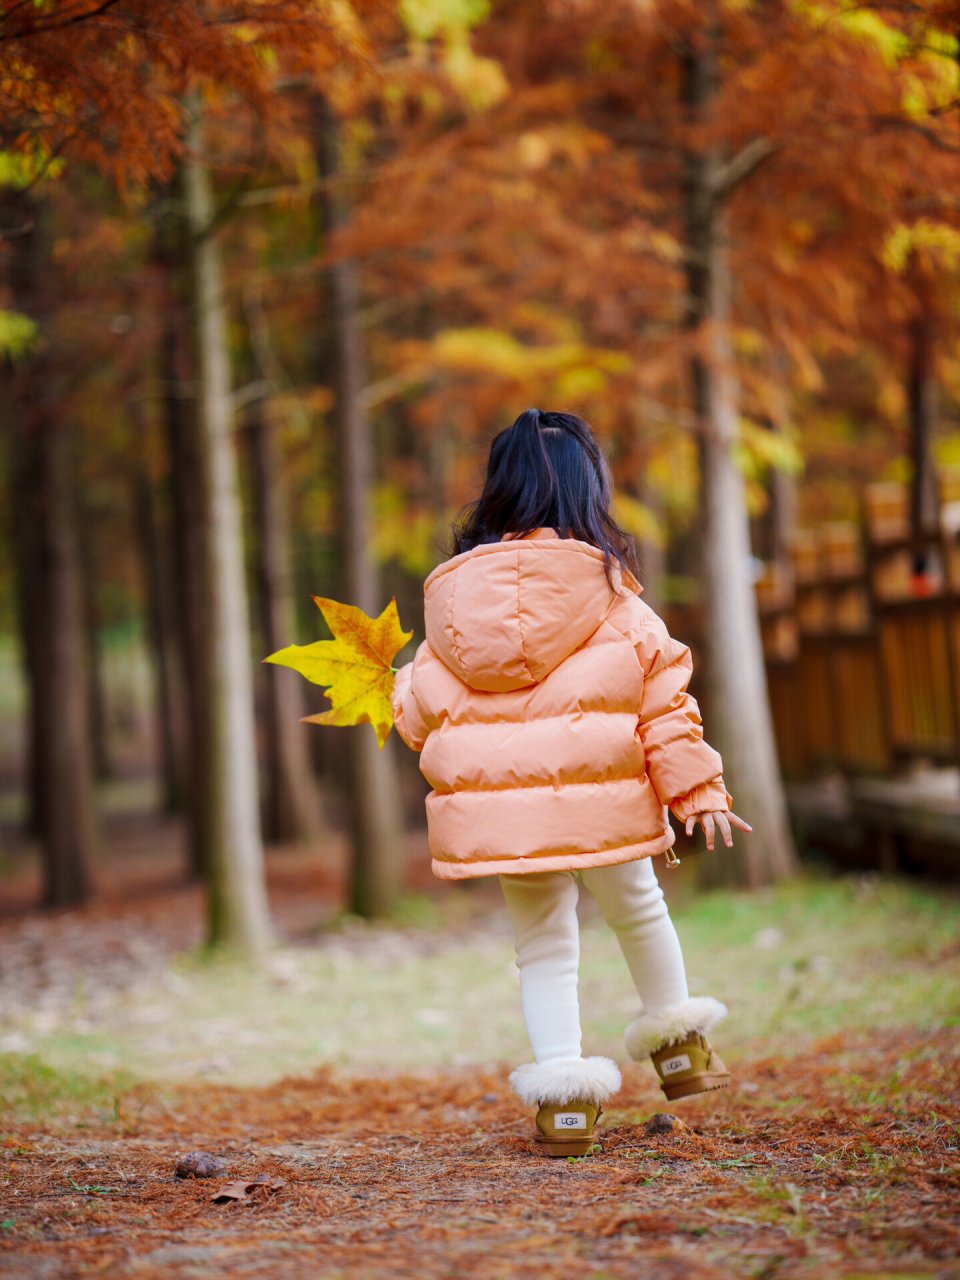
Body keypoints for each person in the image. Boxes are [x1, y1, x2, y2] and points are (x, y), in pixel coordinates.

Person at [390, 408, 751, 1156]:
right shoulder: (615, 599)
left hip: (510, 822)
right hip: (607, 806)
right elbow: (664, 703)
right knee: (639, 909)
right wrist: (697, 789)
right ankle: (678, 1045)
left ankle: (563, 1102)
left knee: (545, 947)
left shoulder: (450, 609)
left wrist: (392, 697)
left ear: (498, 491)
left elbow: (422, 717)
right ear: (589, 493)